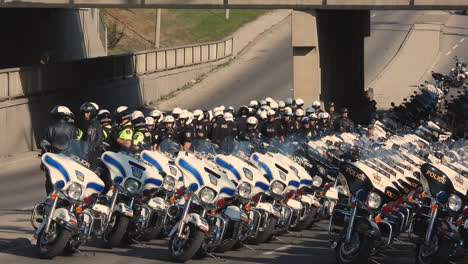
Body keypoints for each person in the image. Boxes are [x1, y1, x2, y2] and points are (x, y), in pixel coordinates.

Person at [43, 105, 78, 194]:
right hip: (68, 158)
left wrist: (42, 162)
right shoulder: (73, 129)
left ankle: (50, 198)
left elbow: (45, 145)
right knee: (70, 178)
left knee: (50, 179)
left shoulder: (49, 128)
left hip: (53, 157)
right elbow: (76, 145)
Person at [77, 102, 103, 168]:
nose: (85, 115)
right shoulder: (96, 124)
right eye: (85, 113)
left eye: (88, 112)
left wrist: (83, 156)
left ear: (93, 112)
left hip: (89, 158)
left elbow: (89, 144)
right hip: (93, 157)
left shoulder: (92, 126)